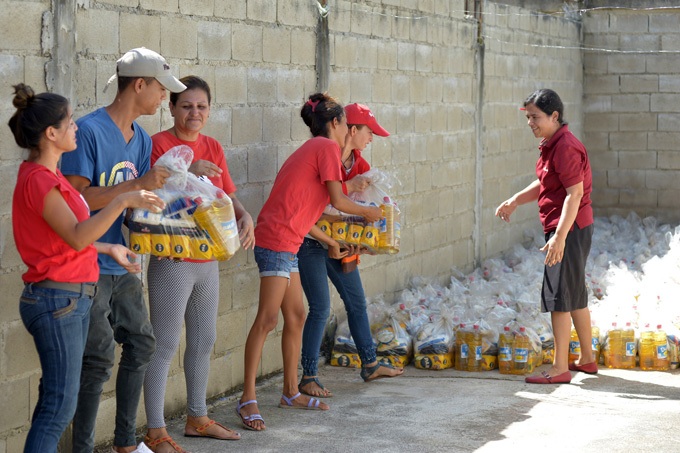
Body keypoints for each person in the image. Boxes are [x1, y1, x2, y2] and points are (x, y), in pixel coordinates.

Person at [8, 84, 164, 453]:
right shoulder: (40, 180)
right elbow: (76, 236)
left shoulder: (49, 176)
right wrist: (123, 198)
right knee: (58, 409)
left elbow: (67, 238)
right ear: (51, 134)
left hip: (69, 296)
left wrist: (109, 245)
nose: (76, 127)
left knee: (55, 401)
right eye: (70, 122)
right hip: (57, 300)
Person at [60, 48, 186, 453]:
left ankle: (125, 444)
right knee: (96, 362)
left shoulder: (143, 138)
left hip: (122, 263)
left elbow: (136, 206)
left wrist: (168, 235)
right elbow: (76, 201)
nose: (165, 99)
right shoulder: (88, 131)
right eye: (161, 90)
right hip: (88, 265)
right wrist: (137, 187)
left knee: (142, 344)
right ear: (140, 85)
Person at [235, 93, 383, 431]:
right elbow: (337, 200)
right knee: (267, 319)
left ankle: (290, 391)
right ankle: (247, 399)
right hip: (276, 242)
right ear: (335, 123)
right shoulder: (326, 148)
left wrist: (332, 242)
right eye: (347, 124)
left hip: (289, 240)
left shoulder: (317, 151)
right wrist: (369, 212)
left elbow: (310, 208)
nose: (350, 131)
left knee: (297, 315)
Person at [142, 76, 253, 452]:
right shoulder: (156, 144)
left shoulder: (214, 146)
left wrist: (245, 216)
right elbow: (146, 194)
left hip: (206, 257)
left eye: (201, 106)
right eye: (186, 105)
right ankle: (155, 431)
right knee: (164, 343)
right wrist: (186, 174)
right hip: (172, 258)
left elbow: (226, 196)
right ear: (170, 107)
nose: (194, 113)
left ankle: (197, 418)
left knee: (204, 339)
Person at [297, 103, 404, 398]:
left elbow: (358, 214)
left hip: (340, 242)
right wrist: (347, 186)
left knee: (357, 302)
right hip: (311, 238)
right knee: (320, 308)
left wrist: (363, 242)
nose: (371, 139)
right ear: (350, 129)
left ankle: (370, 364)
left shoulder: (360, 165)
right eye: (369, 132)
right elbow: (317, 205)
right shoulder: (323, 153)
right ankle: (308, 375)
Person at [495, 88, 594, 384]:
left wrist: (559, 236)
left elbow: (574, 194)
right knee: (574, 295)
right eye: (528, 117)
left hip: (568, 229)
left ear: (554, 116)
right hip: (572, 228)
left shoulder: (564, 146)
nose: (530, 122)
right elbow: (546, 182)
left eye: (535, 117)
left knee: (559, 297)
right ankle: (586, 359)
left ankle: (559, 368)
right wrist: (515, 200)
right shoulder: (552, 144)